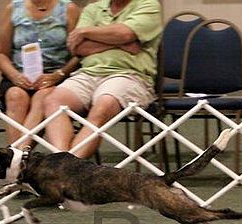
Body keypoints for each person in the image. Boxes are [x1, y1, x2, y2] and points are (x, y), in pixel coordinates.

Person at [43, 0, 163, 159]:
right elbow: (78, 47)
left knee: (103, 105)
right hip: (88, 73)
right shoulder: (92, 9)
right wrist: (119, 44)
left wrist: (86, 32)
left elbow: (125, 33)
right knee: (53, 101)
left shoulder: (149, 5)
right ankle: (64, 164)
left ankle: (67, 170)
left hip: (129, 75)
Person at [0, 0, 81, 146]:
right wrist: (15, 76)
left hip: (57, 75)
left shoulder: (69, 9)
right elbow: (0, 54)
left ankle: (18, 154)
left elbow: (78, 54)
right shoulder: (13, 8)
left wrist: (58, 74)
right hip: (19, 75)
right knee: (16, 96)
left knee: (43, 97)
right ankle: (17, 157)